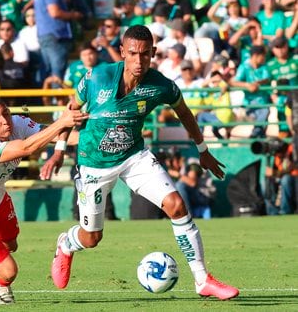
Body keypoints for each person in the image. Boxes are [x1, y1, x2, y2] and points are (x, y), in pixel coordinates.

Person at [40, 25, 239, 300]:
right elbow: (70, 112)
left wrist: (202, 149)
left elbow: (184, 113)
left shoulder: (160, 86)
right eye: (132, 53)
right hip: (94, 164)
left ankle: (202, 280)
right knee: (92, 238)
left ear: (153, 53)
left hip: (135, 157)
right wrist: (59, 150)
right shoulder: (96, 77)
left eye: (145, 54)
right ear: (122, 52)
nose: (138, 60)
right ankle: (67, 244)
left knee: (177, 206)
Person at [0, 94, 88, 305]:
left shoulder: (17, 124)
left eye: (6, 113)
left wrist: (95, 134)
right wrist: (62, 122)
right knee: (8, 270)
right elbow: (26, 148)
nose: (5, 120)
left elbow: (52, 135)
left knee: (10, 245)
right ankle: (1, 290)